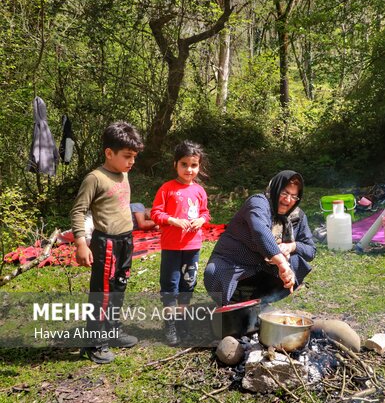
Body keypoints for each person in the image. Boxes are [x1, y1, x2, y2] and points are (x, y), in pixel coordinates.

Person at [70, 121, 143, 364]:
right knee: (102, 293)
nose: (131, 162)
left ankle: (112, 331)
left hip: (126, 241)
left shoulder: (123, 173)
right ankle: (93, 343)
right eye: (127, 156)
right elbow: (78, 211)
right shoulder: (95, 178)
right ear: (109, 153)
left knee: (119, 288)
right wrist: (81, 242)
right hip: (106, 244)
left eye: (134, 157)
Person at [204, 170, 316, 306]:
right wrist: (282, 264)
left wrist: (291, 246)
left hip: (265, 268)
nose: (287, 200)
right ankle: (232, 303)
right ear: (275, 189)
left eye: (294, 196)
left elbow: (311, 250)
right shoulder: (258, 203)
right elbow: (260, 231)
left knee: (298, 262)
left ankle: (260, 301)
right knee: (215, 272)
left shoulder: (297, 216)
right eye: (284, 193)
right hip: (235, 262)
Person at [150, 141, 210, 346]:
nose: (189, 169)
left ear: (199, 166)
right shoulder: (167, 189)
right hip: (171, 247)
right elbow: (156, 213)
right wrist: (172, 220)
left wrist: (202, 220)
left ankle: (183, 322)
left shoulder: (200, 191)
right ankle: (171, 325)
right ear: (175, 164)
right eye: (184, 164)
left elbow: (204, 212)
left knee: (188, 285)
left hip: (193, 247)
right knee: (170, 286)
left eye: (194, 165)